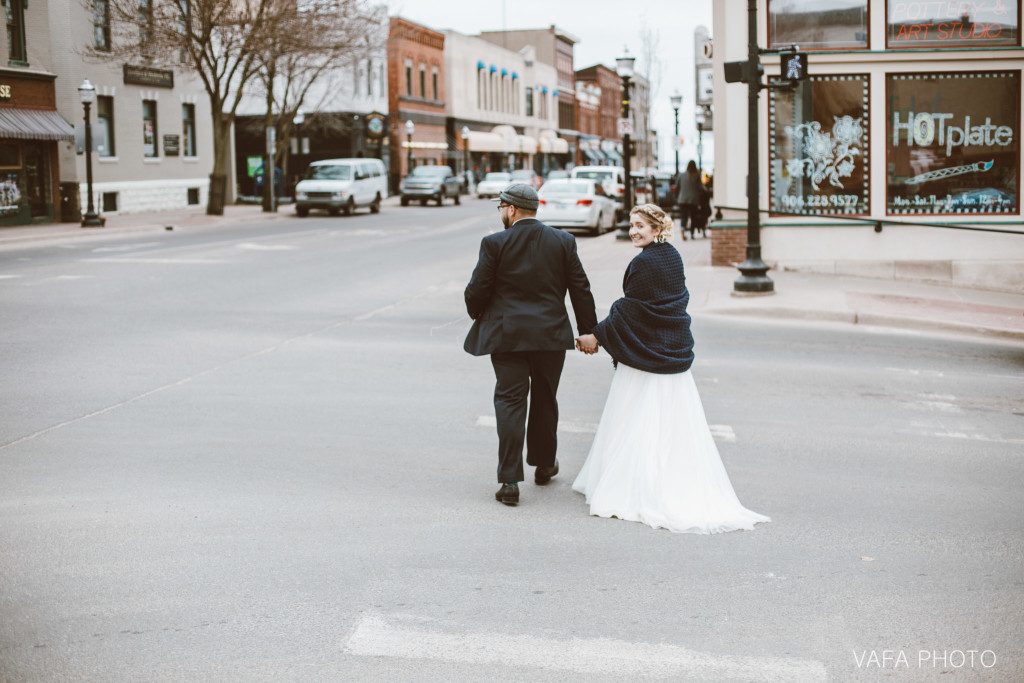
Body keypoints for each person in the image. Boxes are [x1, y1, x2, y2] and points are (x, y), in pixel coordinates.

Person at [572, 204, 769, 534]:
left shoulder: (644, 262)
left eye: (640, 226)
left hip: (646, 361)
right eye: (632, 225)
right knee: (670, 428)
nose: (634, 231)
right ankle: (668, 481)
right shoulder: (673, 255)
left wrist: (598, 335)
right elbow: (658, 306)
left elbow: (631, 310)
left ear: (656, 228)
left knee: (636, 421)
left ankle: (638, 488)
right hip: (671, 355)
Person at [464, 183, 598, 506]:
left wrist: (479, 313)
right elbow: (580, 289)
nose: (501, 215)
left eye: (501, 209)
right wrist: (589, 331)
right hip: (550, 336)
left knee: (510, 402)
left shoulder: (494, 243)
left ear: (510, 209)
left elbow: (476, 291)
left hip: (507, 337)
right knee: (545, 398)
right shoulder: (563, 241)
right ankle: (544, 463)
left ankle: (509, 479)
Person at [675, 160, 708, 240]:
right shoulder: (696, 176)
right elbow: (700, 188)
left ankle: (683, 228)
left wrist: (677, 197)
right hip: (693, 200)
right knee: (693, 217)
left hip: (682, 199)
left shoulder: (681, 175)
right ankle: (692, 234)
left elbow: (677, 187)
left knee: (684, 216)